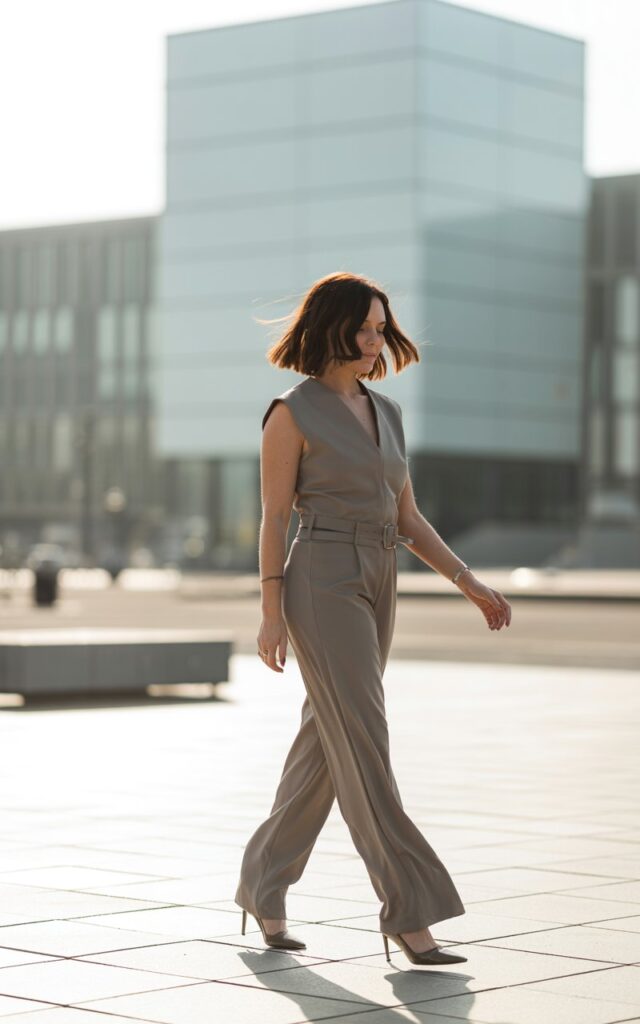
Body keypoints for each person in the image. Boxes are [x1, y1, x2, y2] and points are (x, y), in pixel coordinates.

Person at [235, 272, 512, 967]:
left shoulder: (386, 413)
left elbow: (407, 516)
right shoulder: (290, 412)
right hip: (321, 578)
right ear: (331, 327)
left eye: (381, 327)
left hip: (380, 574)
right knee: (365, 740)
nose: (374, 339)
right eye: (364, 327)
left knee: (327, 746)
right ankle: (409, 912)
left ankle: (262, 889)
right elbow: (272, 518)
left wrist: (468, 581)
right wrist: (270, 612)